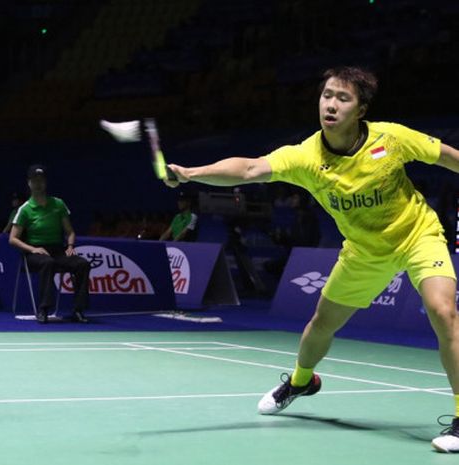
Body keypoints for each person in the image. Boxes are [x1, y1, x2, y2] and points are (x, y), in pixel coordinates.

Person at [163, 66, 459, 452]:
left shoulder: (393, 138)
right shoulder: (305, 156)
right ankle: (302, 380)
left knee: (443, 311)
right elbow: (251, 168)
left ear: (361, 109)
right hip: (363, 252)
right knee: (321, 325)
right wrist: (192, 173)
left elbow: (448, 157)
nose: (331, 105)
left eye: (343, 98)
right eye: (327, 96)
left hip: (417, 236)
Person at [9, 165, 90, 323]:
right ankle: (44, 309)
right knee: (48, 262)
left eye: (41, 180)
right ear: (29, 183)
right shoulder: (25, 209)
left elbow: (70, 232)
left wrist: (70, 246)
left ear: (45, 183)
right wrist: (34, 249)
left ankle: (79, 310)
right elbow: (12, 239)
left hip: (58, 250)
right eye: (34, 181)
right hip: (33, 253)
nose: (38, 184)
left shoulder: (58, 204)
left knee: (83, 264)